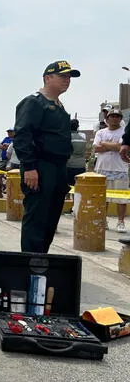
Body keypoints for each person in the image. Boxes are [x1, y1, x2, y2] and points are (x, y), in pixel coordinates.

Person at [13, 60, 79, 253]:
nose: (67, 80)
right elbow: (23, 135)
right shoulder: (34, 102)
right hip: (40, 167)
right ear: (48, 78)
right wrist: (30, 167)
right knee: (37, 219)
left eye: (69, 77)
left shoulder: (59, 106)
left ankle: (42, 260)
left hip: (58, 168)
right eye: (63, 76)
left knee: (50, 220)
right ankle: (31, 264)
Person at [94, 108, 128, 233]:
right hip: (101, 169)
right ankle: (103, 220)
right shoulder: (101, 132)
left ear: (121, 119)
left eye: (117, 116)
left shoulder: (125, 133)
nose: (114, 119)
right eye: (112, 116)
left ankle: (121, 222)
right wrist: (113, 146)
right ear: (107, 119)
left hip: (120, 169)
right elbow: (96, 149)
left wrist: (105, 144)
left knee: (121, 199)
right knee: (103, 198)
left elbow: (121, 147)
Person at [66, 119, 87, 188]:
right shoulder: (83, 138)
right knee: (78, 188)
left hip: (69, 166)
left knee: (68, 187)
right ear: (77, 126)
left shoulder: (66, 138)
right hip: (81, 166)